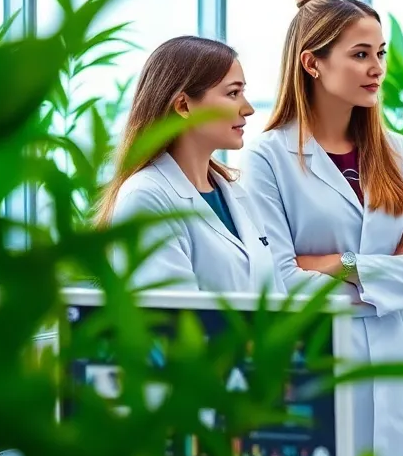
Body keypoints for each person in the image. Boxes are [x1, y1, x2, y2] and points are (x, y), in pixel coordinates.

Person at [244, 0, 403, 456]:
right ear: (312, 63)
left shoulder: (396, 151)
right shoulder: (268, 157)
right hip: (320, 369)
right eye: (360, 54)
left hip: (394, 375)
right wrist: (394, 275)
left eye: (379, 53)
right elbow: (281, 283)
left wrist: (342, 266)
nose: (377, 68)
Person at [99, 35, 278, 292]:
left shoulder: (235, 194)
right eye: (233, 93)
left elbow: (279, 301)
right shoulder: (145, 197)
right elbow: (172, 320)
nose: (247, 109)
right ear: (184, 105)